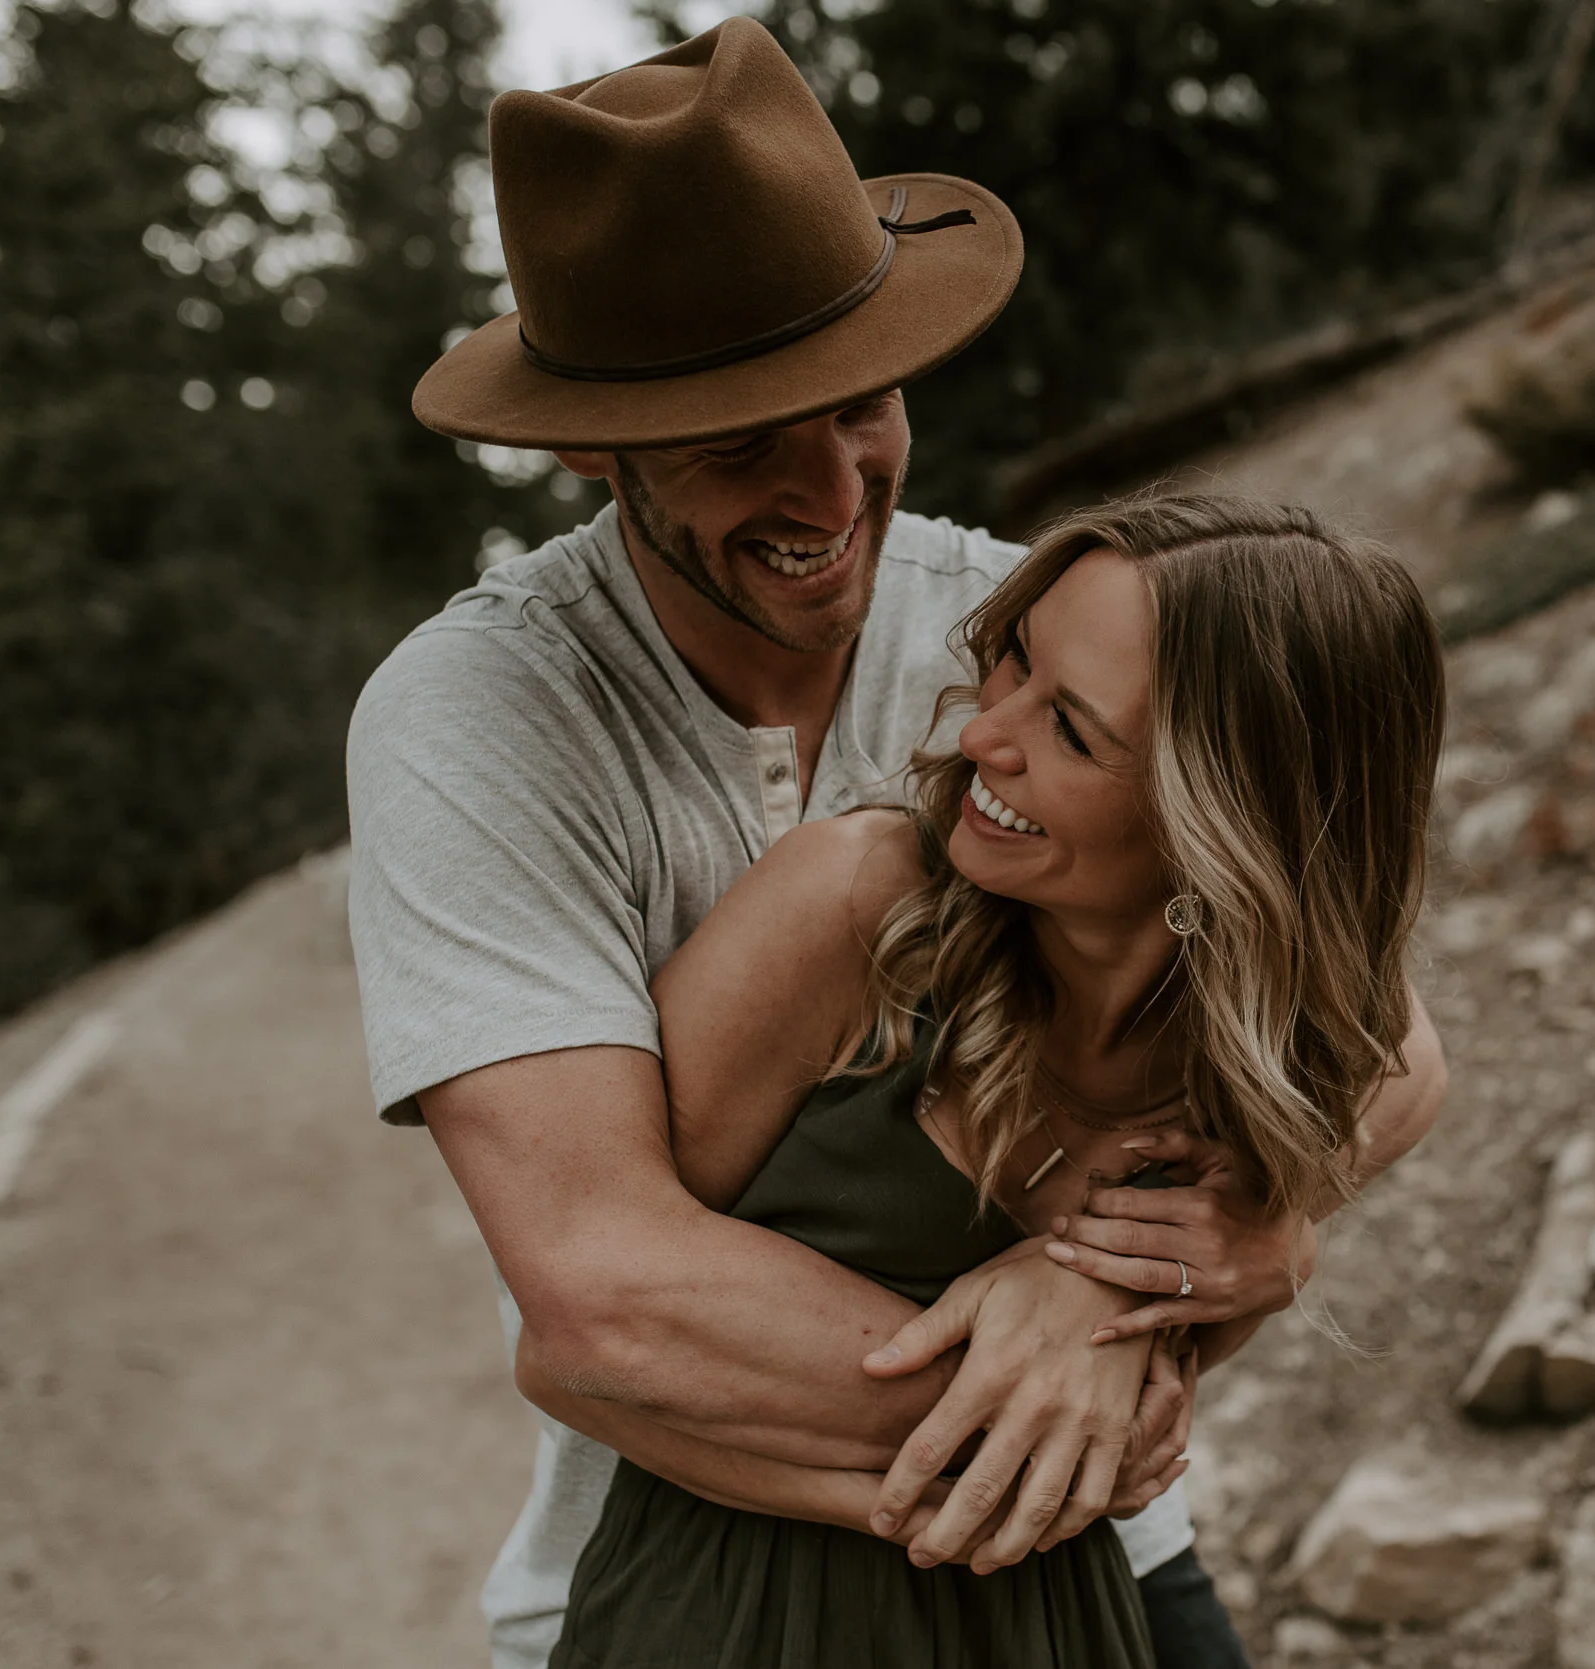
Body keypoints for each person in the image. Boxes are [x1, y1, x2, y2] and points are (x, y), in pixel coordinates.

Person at [342, 19, 1447, 1669]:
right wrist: (1104, 1365)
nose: (829, 486)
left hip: (1099, 1544)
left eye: (855, 402)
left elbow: (1386, 1036)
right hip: (716, 1569)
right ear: (589, 443)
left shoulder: (1035, 628)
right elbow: (599, 1294)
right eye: (738, 436)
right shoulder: (479, 715)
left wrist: (1213, 1243)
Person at [525, 492, 1449, 1665]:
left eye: (1070, 729)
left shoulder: (1266, 1038)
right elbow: (569, 1352)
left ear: (1228, 819)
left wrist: (1263, 1233)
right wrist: (1004, 1427)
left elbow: (1412, 1066)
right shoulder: (854, 905)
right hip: (736, 1620)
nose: (980, 736)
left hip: (1060, 1620)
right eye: (1008, 663)